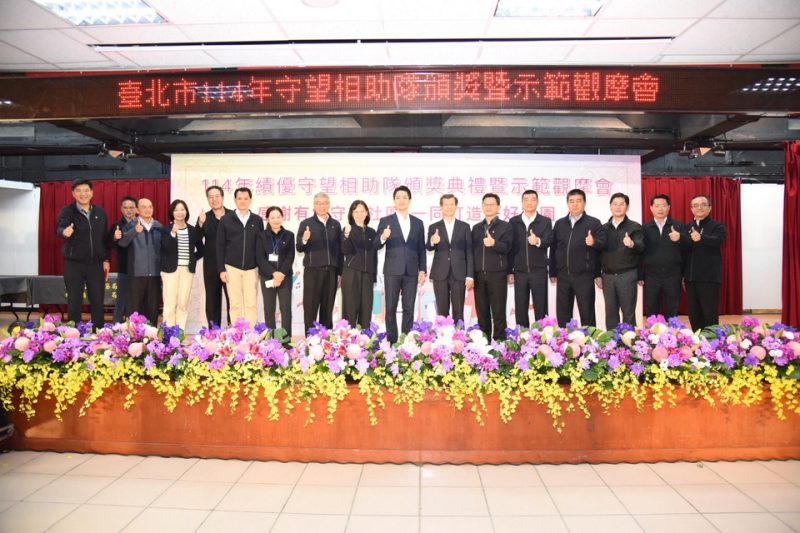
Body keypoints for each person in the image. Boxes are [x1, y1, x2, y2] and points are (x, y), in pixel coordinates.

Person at [55, 178, 110, 328]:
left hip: (96, 264)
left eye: (86, 190)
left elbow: (105, 239)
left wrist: (106, 259)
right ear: (73, 194)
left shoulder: (100, 212)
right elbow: (60, 227)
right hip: (74, 264)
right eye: (78, 191)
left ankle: (99, 332)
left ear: (92, 193)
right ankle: (73, 334)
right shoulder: (67, 211)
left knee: (97, 300)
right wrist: (64, 232)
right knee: (74, 301)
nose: (83, 194)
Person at [549, 189, 607, 328]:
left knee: (587, 313)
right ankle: (564, 339)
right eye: (571, 201)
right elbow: (554, 248)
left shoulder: (593, 223)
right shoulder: (560, 224)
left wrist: (594, 242)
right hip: (563, 275)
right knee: (563, 314)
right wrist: (553, 271)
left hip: (584, 276)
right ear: (567, 204)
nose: (575, 204)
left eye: (578, 201)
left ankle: (589, 340)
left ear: (584, 203)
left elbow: (603, 245)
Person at [376, 186, 427, 343]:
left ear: (409, 200)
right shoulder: (386, 221)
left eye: (405, 197)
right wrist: (383, 237)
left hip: (411, 271)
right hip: (392, 270)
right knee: (390, 307)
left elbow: (421, 248)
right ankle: (392, 342)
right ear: (394, 201)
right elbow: (376, 245)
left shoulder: (418, 223)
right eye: (398, 197)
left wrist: (422, 269)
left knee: (409, 308)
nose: (401, 200)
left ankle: (406, 342)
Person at [296, 192, 343, 333]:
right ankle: (310, 339)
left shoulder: (335, 225)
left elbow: (339, 251)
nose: (322, 206)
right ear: (314, 205)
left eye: (325, 203)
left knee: (327, 309)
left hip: (331, 272)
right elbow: (299, 247)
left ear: (329, 205)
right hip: (313, 272)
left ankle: (325, 340)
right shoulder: (306, 224)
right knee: (310, 308)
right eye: (319, 203)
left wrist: (339, 273)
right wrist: (304, 239)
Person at [217, 187, 263, 326]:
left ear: (250, 200)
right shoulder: (226, 219)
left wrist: (261, 267)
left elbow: (261, 246)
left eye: (246, 198)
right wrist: (222, 269)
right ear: (235, 200)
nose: (243, 201)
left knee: (251, 303)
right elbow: (220, 246)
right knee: (235, 303)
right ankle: (236, 333)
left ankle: (251, 333)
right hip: (231, 267)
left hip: (252, 268)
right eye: (239, 198)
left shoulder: (257, 220)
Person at [598, 192, 644, 330]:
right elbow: (597, 253)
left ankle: (629, 342)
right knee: (610, 313)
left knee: (628, 313)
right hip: (608, 276)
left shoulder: (635, 227)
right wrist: (597, 275)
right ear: (610, 206)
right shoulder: (603, 228)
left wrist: (631, 244)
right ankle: (612, 341)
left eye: (622, 204)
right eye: (615, 204)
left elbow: (641, 247)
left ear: (627, 207)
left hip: (627, 275)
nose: (618, 207)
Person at [470, 193, 513, 341]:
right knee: (482, 312)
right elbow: (471, 252)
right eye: (486, 204)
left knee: (499, 312)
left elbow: (508, 248)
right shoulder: (476, 228)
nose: (488, 207)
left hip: (497, 275)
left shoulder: (506, 227)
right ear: (482, 207)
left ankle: (500, 343)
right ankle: (484, 343)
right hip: (479, 275)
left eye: (492, 204)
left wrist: (494, 243)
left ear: (498, 207)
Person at [426, 194, 473, 324]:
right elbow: (428, 247)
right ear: (441, 207)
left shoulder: (464, 226)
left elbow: (469, 251)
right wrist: (433, 241)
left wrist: (470, 275)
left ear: (456, 206)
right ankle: (443, 336)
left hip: (459, 273)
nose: (449, 207)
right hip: (440, 273)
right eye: (446, 204)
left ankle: (459, 336)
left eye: (451, 204)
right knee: (442, 312)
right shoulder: (434, 227)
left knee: (458, 311)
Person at [509, 189, 553, 328]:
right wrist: (510, 271)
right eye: (526, 200)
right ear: (522, 202)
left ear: (537, 202)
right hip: (520, 271)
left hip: (539, 271)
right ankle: (522, 337)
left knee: (541, 307)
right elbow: (510, 248)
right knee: (520, 307)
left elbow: (549, 240)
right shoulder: (513, 221)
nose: (529, 203)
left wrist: (538, 240)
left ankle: (542, 336)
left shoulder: (545, 221)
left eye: (533, 199)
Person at [684, 194, 727, 331]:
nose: (699, 208)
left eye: (703, 204)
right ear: (691, 209)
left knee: (709, 313)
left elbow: (718, 240)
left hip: (709, 278)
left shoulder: (717, 226)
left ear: (710, 208)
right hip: (691, 278)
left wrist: (701, 238)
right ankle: (696, 340)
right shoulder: (687, 227)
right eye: (695, 205)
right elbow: (683, 252)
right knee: (694, 314)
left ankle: (711, 341)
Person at [641, 194, 687, 319]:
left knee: (673, 309)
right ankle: (651, 332)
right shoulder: (644, 228)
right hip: (651, 276)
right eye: (657, 206)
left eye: (663, 205)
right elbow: (640, 253)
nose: (660, 209)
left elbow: (687, 249)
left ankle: (672, 332)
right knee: (651, 309)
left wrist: (680, 238)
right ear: (651, 208)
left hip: (673, 275)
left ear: (669, 207)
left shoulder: (678, 226)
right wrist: (640, 275)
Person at [160, 199, 203, 330]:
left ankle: (179, 333)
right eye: (176, 210)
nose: (180, 212)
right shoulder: (165, 229)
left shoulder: (192, 230)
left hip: (187, 271)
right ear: (172, 213)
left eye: (182, 209)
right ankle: (168, 334)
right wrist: (173, 233)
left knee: (183, 304)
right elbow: (165, 248)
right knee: (169, 304)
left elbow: (201, 249)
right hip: (170, 271)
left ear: (186, 212)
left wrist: (192, 259)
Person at [119, 198, 163, 325]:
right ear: (137, 210)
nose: (147, 209)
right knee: (133, 309)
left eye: (150, 206)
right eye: (143, 207)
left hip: (155, 273)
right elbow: (122, 243)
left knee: (152, 308)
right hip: (136, 274)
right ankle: (132, 334)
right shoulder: (130, 225)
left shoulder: (159, 227)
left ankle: (151, 334)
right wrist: (134, 231)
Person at [256, 206, 295, 338]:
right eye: (272, 217)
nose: (276, 220)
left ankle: (286, 339)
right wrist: (273, 273)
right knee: (269, 309)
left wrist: (280, 274)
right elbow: (260, 257)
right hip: (267, 276)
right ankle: (270, 340)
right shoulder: (261, 236)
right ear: (267, 219)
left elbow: (290, 256)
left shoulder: (289, 235)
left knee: (286, 309)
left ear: (282, 218)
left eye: (278, 217)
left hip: (285, 277)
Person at [197, 185, 233, 328]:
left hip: (230, 265)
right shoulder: (204, 217)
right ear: (208, 200)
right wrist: (200, 224)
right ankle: (214, 332)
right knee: (212, 301)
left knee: (233, 301)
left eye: (217, 196)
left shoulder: (233, 216)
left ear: (222, 197)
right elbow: (196, 240)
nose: (214, 199)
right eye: (211, 197)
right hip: (211, 266)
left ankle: (233, 332)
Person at [341, 200, 379, 329]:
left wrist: (373, 275)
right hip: (351, 272)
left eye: (362, 211)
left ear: (367, 213)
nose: (359, 214)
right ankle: (348, 337)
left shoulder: (372, 232)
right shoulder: (348, 229)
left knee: (366, 308)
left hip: (367, 274)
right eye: (356, 211)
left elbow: (374, 256)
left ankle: (365, 339)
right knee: (350, 308)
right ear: (351, 213)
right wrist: (346, 235)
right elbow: (345, 250)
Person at [109, 196, 137, 324]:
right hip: (124, 267)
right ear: (121, 209)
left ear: (136, 209)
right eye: (126, 208)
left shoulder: (142, 223)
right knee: (122, 298)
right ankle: (117, 325)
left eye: (131, 207)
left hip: (141, 268)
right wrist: (115, 238)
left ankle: (137, 325)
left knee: (137, 299)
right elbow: (109, 244)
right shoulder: (117, 225)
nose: (129, 210)